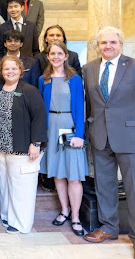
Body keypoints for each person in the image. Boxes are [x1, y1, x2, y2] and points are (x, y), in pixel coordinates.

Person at [83, 27, 135, 259]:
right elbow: (92, 102)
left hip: (132, 140)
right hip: (101, 138)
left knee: (134, 191)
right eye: (103, 43)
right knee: (105, 187)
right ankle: (109, 228)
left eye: (112, 42)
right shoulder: (89, 69)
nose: (107, 46)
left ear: (120, 44)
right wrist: (91, 125)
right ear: (97, 46)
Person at [0, 55, 47, 234]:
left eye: (14, 68)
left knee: (21, 187)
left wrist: (36, 143)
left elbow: (39, 117)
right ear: (1, 71)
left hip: (22, 148)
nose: (10, 71)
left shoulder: (29, 90)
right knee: (5, 184)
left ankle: (21, 223)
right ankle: (7, 215)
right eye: (6, 68)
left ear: (21, 70)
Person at [38, 41, 88, 237]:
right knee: (58, 173)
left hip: (69, 126)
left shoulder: (74, 79)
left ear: (66, 56)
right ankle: (64, 210)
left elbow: (80, 108)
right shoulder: (44, 79)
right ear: (48, 56)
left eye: (60, 53)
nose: (56, 57)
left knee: (73, 176)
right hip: (51, 128)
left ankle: (75, 216)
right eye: (52, 53)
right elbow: (41, 107)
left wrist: (79, 135)